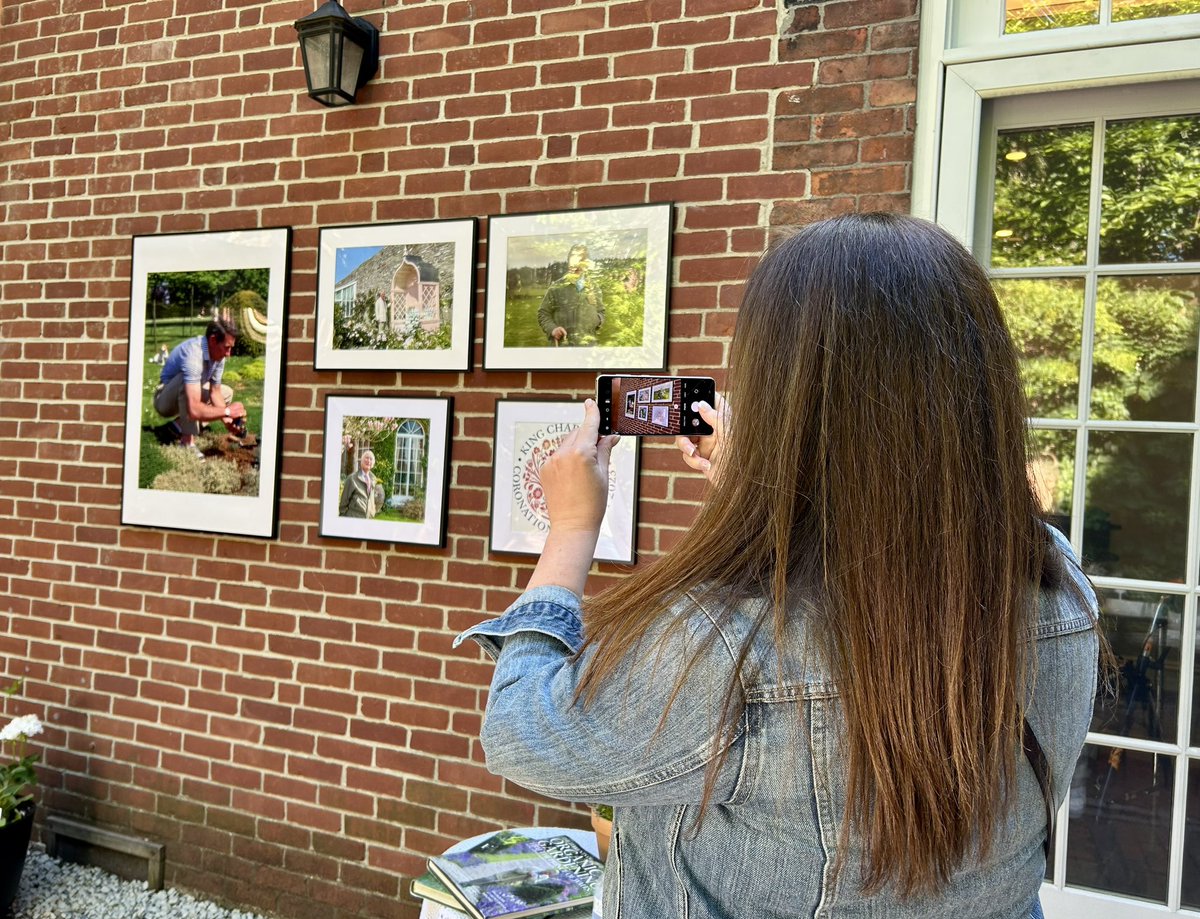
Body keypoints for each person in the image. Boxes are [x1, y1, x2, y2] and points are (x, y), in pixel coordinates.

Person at [456, 213, 1100, 919]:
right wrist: (763, 490)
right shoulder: (1060, 583)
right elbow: (884, 543)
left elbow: (523, 733)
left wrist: (572, 529)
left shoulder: (733, 644)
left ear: (784, 400)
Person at [152, 318, 246, 456]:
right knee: (187, 385)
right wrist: (226, 411)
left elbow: (215, 393)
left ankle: (177, 426)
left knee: (227, 393)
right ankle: (187, 443)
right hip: (165, 399)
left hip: (189, 391)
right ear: (213, 340)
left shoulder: (219, 356)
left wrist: (228, 420)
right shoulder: (194, 355)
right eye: (227, 347)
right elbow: (195, 409)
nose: (228, 354)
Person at [537, 244, 604, 346]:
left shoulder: (594, 287)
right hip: (563, 348)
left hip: (589, 347)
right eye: (574, 258)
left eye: (582, 259)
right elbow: (543, 313)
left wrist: (597, 320)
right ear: (568, 261)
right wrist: (553, 329)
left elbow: (601, 312)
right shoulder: (556, 287)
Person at [339, 450, 385, 519]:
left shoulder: (373, 480)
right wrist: (344, 519)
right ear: (361, 461)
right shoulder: (352, 479)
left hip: (368, 520)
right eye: (366, 458)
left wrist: (372, 512)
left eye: (371, 459)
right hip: (353, 519)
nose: (368, 460)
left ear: (373, 464)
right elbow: (343, 503)